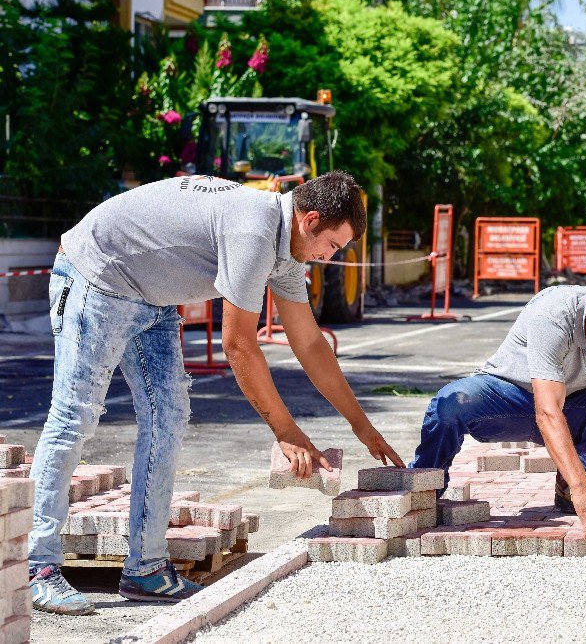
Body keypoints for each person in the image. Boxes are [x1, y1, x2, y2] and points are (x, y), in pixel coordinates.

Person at [29, 171, 403, 615]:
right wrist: (284, 430)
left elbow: (310, 344)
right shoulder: (255, 231)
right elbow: (239, 345)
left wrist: (361, 424)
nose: (328, 256)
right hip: (98, 276)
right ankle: (39, 568)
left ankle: (145, 569)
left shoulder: (286, 253)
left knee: (167, 419)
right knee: (75, 415)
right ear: (310, 220)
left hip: (152, 297)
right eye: (333, 245)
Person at [410, 277, 586, 546]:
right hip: (511, 399)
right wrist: (583, 492)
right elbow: (547, 412)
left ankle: (577, 481)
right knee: (450, 403)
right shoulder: (554, 313)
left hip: (574, 405)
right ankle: (421, 490)